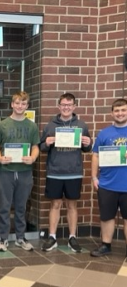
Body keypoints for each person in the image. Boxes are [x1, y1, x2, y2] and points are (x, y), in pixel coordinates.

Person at [40, 93, 92, 252]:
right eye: (63, 105)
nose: (66, 108)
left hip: (74, 172)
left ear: (74, 107)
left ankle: (72, 237)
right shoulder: (50, 126)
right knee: (55, 204)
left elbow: (87, 148)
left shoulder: (81, 125)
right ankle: (52, 237)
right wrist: (47, 143)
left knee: (72, 205)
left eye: (69, 105)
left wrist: (89, 142)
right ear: (59, 106)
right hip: (55, 171)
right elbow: (41, 148)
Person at [0, 91, 40, 252]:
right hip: (5, 171)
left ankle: (20, 238)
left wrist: (33, 158)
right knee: (4, 207)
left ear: (27, 106)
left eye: (23, 103)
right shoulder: (2, 125)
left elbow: (35, 146)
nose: (20, 106)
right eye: (17, 103)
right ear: (12, 104)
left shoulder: (32, 126)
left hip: (25, 172)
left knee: (21, 207)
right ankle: (3, 239)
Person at [91, 98, 127, 257]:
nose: (120, 113)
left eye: (123, 110)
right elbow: (95, 156)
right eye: (117, 111)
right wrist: (94, 177)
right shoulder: (104, 133)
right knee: (106, 217)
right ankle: (106, 245)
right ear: (112, 113)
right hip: (107, 184)